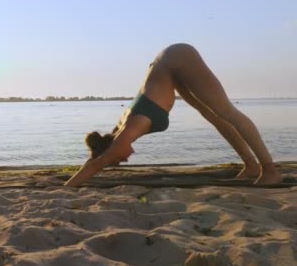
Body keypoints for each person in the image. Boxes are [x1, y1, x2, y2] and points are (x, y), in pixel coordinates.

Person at [65, 43, 282, 187]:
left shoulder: (123, 137)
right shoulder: (116, 132)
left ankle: (269, 170)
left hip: (177, 58)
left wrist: (68, 186)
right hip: (168, 66)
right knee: (213, 115)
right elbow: (95, 159)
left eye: (118, 161)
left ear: (111, 151)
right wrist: (93, 161)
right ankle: (251, 166)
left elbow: (97, 163)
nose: (125, 159)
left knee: (225, 111)